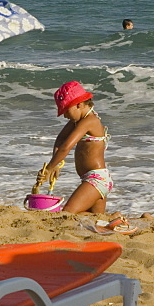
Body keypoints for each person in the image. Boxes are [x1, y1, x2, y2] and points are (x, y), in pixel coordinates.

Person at [35, 81, 112, 216]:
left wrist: (49, 168)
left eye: (66, 111)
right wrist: (56, 164)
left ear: (80, 104)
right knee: (97, 220)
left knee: (67, 214)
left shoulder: (89, 121)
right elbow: (60, 140)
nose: (65, 115)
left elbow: (66, 147)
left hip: (96, 179)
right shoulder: (77, 121)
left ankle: (117, 217)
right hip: (91, 179)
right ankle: (117, 217)